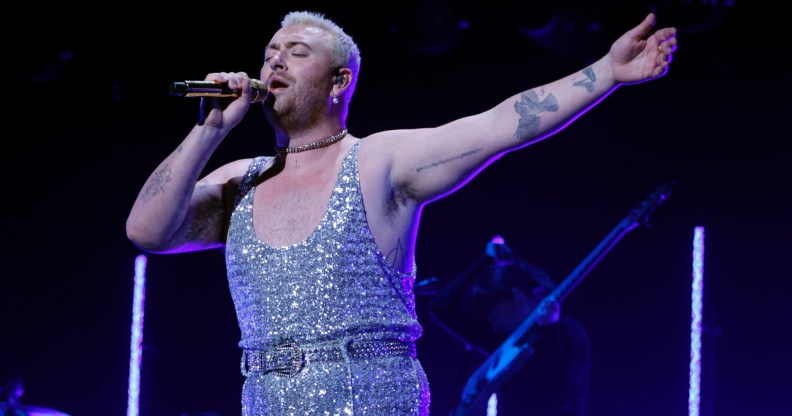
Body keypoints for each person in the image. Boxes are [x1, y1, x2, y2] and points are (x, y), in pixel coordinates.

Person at [125, 9, 677, 416]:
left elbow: (500, 125)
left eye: (296, 52)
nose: (274, 60)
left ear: (339, 80)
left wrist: (605, 71)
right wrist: (208, 132)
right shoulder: (238, 180)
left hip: (372, 398)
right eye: (270, 51)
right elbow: (146, 231)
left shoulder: (378, 160)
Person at [428, 236, 592, 416]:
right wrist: (487, 260)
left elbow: (560, 400)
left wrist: (551, 330)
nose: (490, 320)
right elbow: (440, 307)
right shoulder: (504, 343)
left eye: (493, 310)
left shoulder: (567, 332)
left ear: (517, 297)